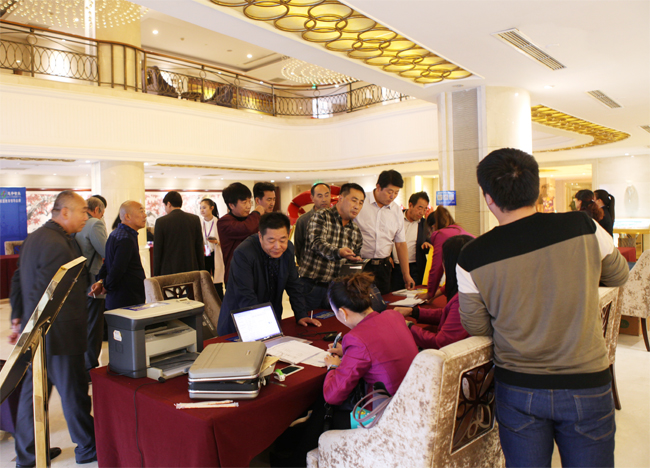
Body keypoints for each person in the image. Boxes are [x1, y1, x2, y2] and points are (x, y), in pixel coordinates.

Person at [456, 148, 628, 468]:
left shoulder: (471, 256)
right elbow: (619, 275)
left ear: (488, 198)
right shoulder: (582, 225)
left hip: (518, 386)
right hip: (586, 380)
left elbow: (476, 326)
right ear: (535, 190)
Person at [280, 272, 418, 467]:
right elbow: (379, 345)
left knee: (324, 407)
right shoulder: (392, 316)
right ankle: (296, 455)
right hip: (409, 403)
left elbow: (332, 395)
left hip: (382, 416)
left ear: (342, 313)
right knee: (321, 411)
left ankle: (298, 459)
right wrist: (347, 350)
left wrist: (333, 367)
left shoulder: (357, 338)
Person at [14, 190, 96, 466]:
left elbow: (18, 279)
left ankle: (29, 454)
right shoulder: (57, 244)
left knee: (32, 396)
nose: (87, 216)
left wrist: (18, 317)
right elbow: (48, 295)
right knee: (74, 393)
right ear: (65, 212)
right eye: (83, 211)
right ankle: (87, 446)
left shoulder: (36, 237)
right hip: (58, 334)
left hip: (37, 333)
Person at [217, 212, 321, 336]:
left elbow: (294, 285)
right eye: (271, 241)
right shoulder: (243, 253)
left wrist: (301, 314)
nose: (277, 246)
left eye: (283, 240)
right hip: (241, 323)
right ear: (260, 236)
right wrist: (263, 327)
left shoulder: (288, 249)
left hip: (272, 320)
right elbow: (245, 295)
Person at [395, 235, 472, 349]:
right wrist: (413, 312)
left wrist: (408, 326)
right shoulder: (471, 289)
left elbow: (440, 342)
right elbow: (448, 315)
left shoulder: (464, 299)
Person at [298, 183, 365, 311]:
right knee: (308, 322)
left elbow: (353, 258)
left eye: (361, 203)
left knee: (334, 322)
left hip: (338, 289)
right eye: (354, 200)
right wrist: (339, 252)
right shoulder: (322, 216)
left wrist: (355, 261)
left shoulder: (355, 230)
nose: (357, 206)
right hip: (313, 286)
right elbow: (316, 243)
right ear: (341, 198)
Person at [353, 170, 414, 294]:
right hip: (360, 264)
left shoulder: (396, 211)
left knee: (384, 300)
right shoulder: (360, 202)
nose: (393, 196)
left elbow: (400, 244)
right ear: (378, 187)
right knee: (359, 301)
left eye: (396, 192)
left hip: (383, 267)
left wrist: (406, 274)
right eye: (389, 192)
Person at [91, 201, 147, 310]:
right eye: (141, 211)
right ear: (127, 216)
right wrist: (106, 285)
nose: (144, 215)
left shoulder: (116, 234)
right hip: (126, 299)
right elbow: (117, 269)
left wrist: (101, 281)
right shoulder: (126, 239)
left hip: (119, 297)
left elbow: (108, 263)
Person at [74, 196, 108, 373]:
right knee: (94, 324)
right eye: (103, 213)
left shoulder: (77, 223)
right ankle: (90, 367)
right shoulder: (95, 223)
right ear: (97, 210)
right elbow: (106, 251)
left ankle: (82, 364)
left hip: (78, 280)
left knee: (84, 323)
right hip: (93, 280)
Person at [417, 206, 474, 301]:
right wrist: (433, 294)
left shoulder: (440, 234)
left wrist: (430, 293)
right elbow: (454, 277)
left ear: (433, 227)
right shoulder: (459, 230)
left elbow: (436, 268)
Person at [218, 182, 265, 282]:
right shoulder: (224, 222)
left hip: (255, 272)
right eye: (244, 202)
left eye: (250, 202)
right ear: (231, 205)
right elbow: (246, 229)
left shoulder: (251, 219)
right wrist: (257, 213)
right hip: (236, 275)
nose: (249, 206)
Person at [153, 191, 205, 277]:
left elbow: (157, 252)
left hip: (169, 271)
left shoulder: (161, 222)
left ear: (169, 204)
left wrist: (156, 274)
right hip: (191, 269)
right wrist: (202, 270)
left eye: (164, 206)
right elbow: (199, 247)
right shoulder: (194, 219)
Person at [390, 191, 431, 290]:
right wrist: (388, 256)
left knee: (414, 293)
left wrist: (427, 244)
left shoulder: (425, 224)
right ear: (410, 205)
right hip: (395, 267)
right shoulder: (395, 218)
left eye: (425, 209)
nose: (422, 212)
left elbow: (430, 242)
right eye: (420, 208)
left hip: (415, 267)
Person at [293, 182, 332, 266]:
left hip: (332, 267)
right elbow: (298, 247)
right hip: (309, 267)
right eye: (320, 196)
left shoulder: (337, 218)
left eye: (326, 195)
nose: (324, 199)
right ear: (312, 198)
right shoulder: (303, 220)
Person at [199, 198, 225, 300]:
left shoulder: (218, 222)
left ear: (211, 208)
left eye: (204, 208)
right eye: (200, 208)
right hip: (204, 253)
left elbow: (225, 241)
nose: (202, 210)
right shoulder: (200, 223)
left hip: (216, 253)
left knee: (217, 280)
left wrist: (217, 242)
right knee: (204, 279)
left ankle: (220, 301)